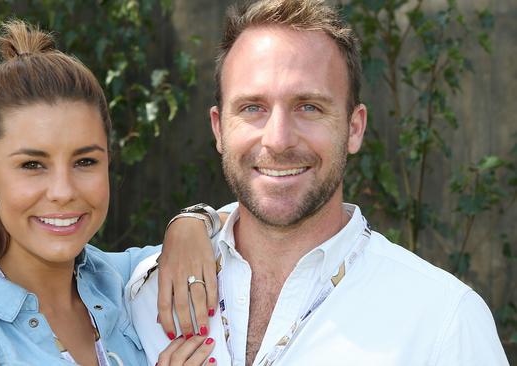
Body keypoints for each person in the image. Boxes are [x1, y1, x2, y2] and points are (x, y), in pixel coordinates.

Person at [128, 0, 510, 365]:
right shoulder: (143, 291)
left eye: (309, 107)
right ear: (219, 129)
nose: (278, 140)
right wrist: (195, 219)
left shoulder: (443, 321)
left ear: (354, 128)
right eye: (252, 108)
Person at [0, 20, 221, 366]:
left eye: (84, 161)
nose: (63, 192)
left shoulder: (128, 283)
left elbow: (250, 224)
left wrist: (191, 222)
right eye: (32, 165)